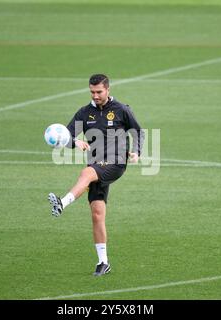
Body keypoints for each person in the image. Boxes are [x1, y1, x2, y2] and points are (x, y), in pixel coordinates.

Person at [48, 74, 145, 276]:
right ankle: (103, 263)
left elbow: (137, 131)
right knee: (97, 214)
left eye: (99, 92)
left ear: (108, 89)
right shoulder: (85, 113)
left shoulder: (121, 110)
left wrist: (137, 150)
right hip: (96, 165)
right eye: (92, 92)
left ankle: (62, 202)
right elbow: (66, 136)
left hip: (116, 162)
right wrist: (75, 143)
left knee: (86, 172)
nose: (96, 95)